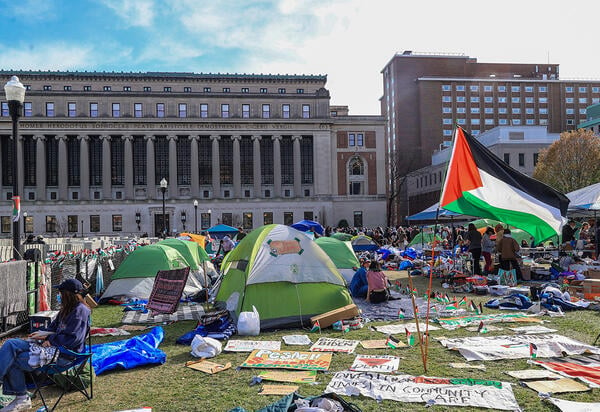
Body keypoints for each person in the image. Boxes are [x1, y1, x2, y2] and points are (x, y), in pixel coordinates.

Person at [0, 279, 90, 411]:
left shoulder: (80, 311)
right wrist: (40, 334)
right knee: (10, 343)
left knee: (13, 360)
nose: (58, 295)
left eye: (60, 292)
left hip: (65, 355)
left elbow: (73, 339)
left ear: (68, 294)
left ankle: (22, 399)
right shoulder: (66, 309)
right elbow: (52, 327)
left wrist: (50, 338)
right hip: (48, 346)